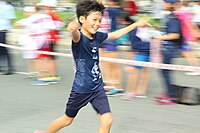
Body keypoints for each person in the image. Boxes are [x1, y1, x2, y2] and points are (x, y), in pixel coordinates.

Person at [34, 0, 148, 133]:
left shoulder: (97, 36)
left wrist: (136, 24)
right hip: (81, 89)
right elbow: (75, 35)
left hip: (97, 88)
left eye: (100, 21)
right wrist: (72, 29)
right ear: (82, 19)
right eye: (94, 19)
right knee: (67, 120)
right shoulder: (79, 39)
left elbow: (115, 35)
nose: (97, 24)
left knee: (108, 120)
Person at [154, 0, 182, 105]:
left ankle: (171, 96)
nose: (163, 4)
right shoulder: (170, 16)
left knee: (166, 72)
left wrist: (159, 38)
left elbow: (175, 35)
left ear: (171, 5)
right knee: (164, 72)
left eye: (165, 3)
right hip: (168, 47)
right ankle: (169, 93)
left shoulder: (173, 18)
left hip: (170, 48)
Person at [0, 0, 15, 75]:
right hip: (3, 29)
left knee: (3, 48)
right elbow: (12, 19)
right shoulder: (9, 7)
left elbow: (11, 18)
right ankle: (5, 66)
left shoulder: (7, 7)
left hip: (2, 29)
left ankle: (10, 67)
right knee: (2, 49)